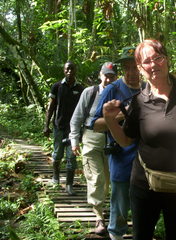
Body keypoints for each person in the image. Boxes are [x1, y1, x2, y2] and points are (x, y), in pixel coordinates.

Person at [101, 39, 176, 240]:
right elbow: (126, 141)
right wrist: (111, 121)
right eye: (146, 62)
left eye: (158, 58)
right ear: (140, 68)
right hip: (144, 184)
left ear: (167, 60)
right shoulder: (139, 101)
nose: (153, 65)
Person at [92, 47, 143, 240]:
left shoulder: (149, 89)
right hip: (122, 157)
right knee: (120, 203)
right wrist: (120, 116)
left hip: (146, 158)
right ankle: (116, 234)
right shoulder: (113, 89)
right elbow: (95, 125)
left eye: (135, 67)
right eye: (127, 67)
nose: (132, 73)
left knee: (144, 204)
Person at [69, 62, 117, 235]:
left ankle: (112, 213)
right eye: (106, 75)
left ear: (116, 77)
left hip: (113, 139)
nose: (108, 78)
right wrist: (74, 140)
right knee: (96, 178)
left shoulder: (119, 92)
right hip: (91, 138)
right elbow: (76, 118)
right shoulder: (89, 92)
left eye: (112, 76)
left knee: (110, 179)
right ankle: (99, 217)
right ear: (100, 75)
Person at [43, 61, 84, 195]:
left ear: (76, 70)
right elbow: (51, 107)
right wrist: (46, 125)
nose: (70, 71)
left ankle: (69, 185)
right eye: (67, 69)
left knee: (71, 157)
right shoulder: (57, 86)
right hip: (59, 126)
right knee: (57, 154)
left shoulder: (81, 89)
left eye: (72, 68)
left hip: (74, 129)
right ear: (64, 71)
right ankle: (55, 178)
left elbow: (84, 109)